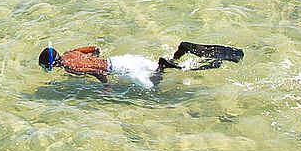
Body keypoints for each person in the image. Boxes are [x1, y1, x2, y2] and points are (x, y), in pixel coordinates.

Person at [37, 41, 244, 89]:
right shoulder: (71, 52)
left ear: (52, 64)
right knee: (161, 66)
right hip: (120, 60)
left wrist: (105, 87)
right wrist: (98, 55)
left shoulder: (68, 66)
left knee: (153, 85)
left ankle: (165, 65)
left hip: (117, 69)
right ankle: (180, 50)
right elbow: (95, 49)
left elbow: (96, 70)